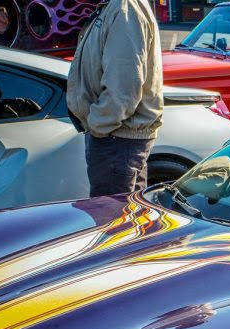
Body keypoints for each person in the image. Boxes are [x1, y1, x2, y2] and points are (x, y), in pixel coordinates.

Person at [66, 0, 163, 197]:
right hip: (115, 139)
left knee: (112, 222)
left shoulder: (124, 9)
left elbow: (123, 89)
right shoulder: (116, 7)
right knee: (125, 219)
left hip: (116, 140)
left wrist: (97, 126)